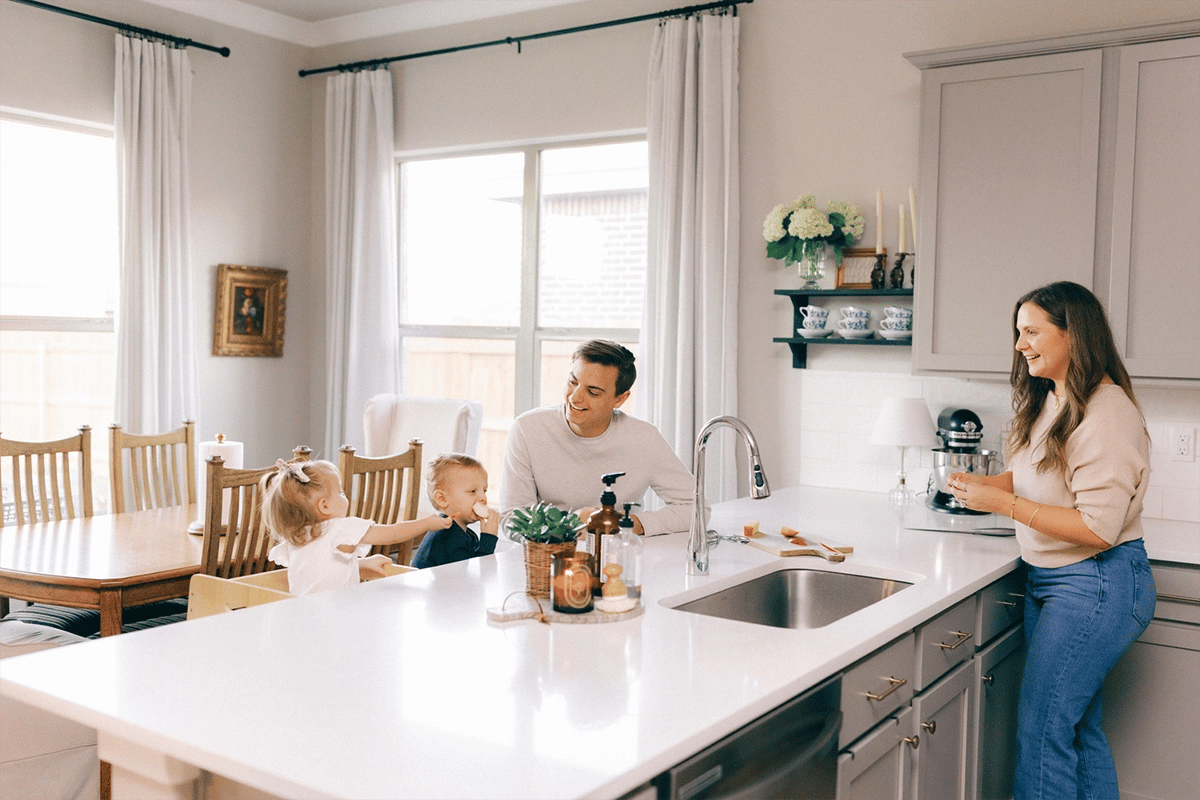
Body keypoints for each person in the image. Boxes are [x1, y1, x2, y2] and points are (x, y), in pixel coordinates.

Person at [946, 281, 1154, 800]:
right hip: (1059, 582)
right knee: (1076, 732)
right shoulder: (1054, 399)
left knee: (1043, 736)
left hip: (1097, 585)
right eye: (1019, 333)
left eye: (1033, 331)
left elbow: (1096, 527)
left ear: (1073, 335)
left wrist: (1003, 504)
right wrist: (978, 486)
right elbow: (1034, 477)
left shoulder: (1107, 414)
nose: (1021, 345)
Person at [500, 339, 694, 537]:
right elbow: (512, 517)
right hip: (549, 557)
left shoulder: (644, 438)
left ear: (620, 399)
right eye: (572, 382)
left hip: (618, 555)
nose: (575, 397)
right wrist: (569, 528)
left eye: (592, 392)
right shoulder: (528, 428)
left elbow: (694, 507)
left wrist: (628, 523)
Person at [262, 459, 451, 595]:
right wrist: (426, 523)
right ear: (325, 506)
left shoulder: (298, 536)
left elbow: (319, 572)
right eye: (341, 492)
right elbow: (393, 533)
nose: (345, 496)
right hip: (336, 614)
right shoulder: (341, 528)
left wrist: (360, 565)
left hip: (303, 615)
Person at [412, 454, 499, 569]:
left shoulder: (467, 534)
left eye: (484, 490)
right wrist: (488, 539)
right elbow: (470, 578)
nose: (483, 497)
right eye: (472, 491)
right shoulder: (447, 536)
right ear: (442, 499)